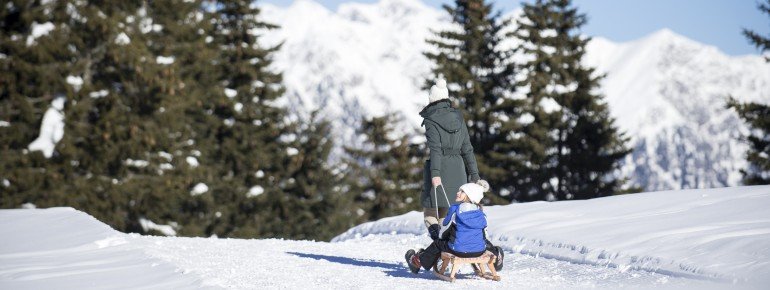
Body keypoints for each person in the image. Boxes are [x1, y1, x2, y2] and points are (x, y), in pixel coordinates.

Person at [418, 78, 503, 270]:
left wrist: (436, 173)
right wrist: (474, 175)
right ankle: (475, 250)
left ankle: (441, 248)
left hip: (439, 170)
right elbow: (467, 149)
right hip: (459, 170)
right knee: (454, 214)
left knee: (431, 213)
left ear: (431, 99)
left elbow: (436, 150)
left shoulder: (431, 120)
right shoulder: (458, 117)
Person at [405, 183, 494, 273]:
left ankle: (417, 262)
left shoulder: (455, 210)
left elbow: (444, 230)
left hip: (458, 251)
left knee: (438, 244)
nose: (458, 193)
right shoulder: (481, 213)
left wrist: (442, 238)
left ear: (469, 195)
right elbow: (485, 234)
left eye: (462, 191)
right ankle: (497, 258)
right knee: (483, 241)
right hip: (479, 251)